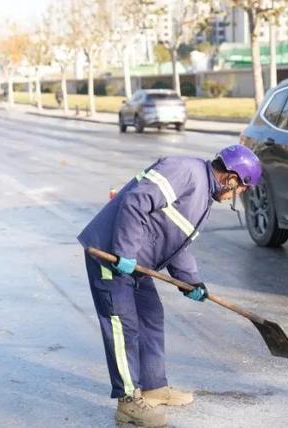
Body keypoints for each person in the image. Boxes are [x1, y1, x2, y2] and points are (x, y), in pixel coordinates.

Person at [77, 145, 262, 427]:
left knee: (151, 318)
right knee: (122, 324)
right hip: (110, 253)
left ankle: (153, 387)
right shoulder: (185, 171)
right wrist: (124, 252)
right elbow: (136, 202)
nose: (238, 195)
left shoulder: (203, 198)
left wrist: (191, 281)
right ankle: (127, 401)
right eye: (241, 189)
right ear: (233, 178)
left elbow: (177, 244)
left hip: (136, 264)